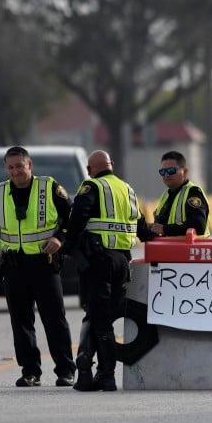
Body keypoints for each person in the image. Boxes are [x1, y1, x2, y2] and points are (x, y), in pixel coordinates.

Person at [0, 146, 77, 388]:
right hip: (13, 266)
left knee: (54, 319)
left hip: (44, 264)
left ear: (30, 165)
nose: (15, 172)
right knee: (21, 321)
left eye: (19, 166)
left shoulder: (49, 187)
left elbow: (71, 217)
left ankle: (66, 370)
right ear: (6, 168)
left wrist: (60, 239)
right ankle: (30, 371)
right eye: (10, 167)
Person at [64, 149, 149, 391]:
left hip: (98, 262)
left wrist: (68, 246)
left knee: (98, 318)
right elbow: (141, 227)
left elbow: (78, 216)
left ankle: (102, 373)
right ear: (111, 165)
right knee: (107, 316)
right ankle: (98, 370)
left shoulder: (91, 187)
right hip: (123, 262)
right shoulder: (127, 189)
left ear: (90, 170)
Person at [150, 150, 211, 238]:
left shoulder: (193, 193)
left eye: (171, 170)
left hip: (190, 250)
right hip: (170, 249)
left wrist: (165, 229)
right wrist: (151, 227)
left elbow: (198, 225)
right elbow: (162, 225)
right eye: (163, 172)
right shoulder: (165, 195)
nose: (166, 175)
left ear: (185, 171)